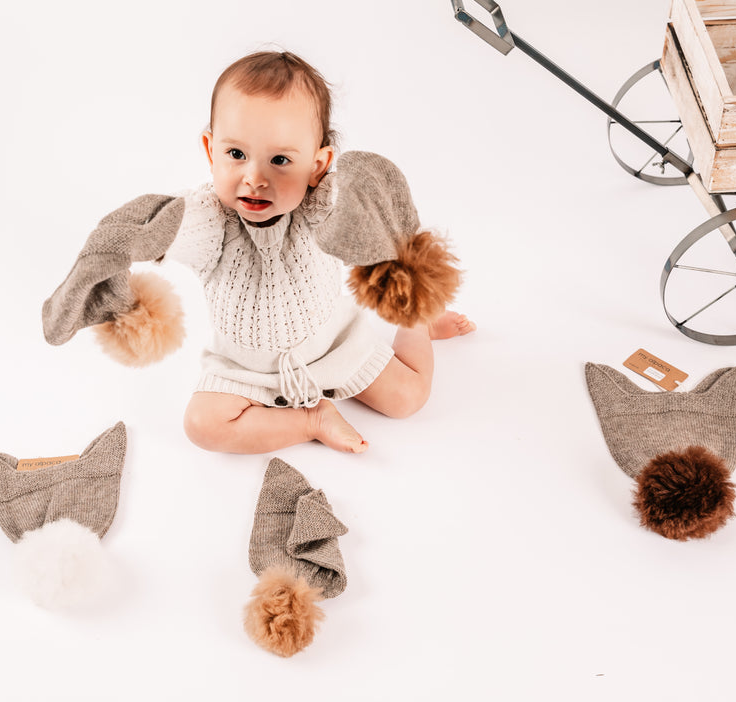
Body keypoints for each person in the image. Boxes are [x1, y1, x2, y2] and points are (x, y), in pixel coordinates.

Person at [43, 51, 474, 454]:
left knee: (409, 398)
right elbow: (156, 226)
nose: (254, 177)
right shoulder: (209, 220)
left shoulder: (321, 208)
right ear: (212, 151)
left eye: (280, 161)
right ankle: (312, 421)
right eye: (236, 154)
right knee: (201, 425)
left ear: (318, 166)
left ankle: (418, 324)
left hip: (333, 347)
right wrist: (120, 250)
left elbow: (369, 203)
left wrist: (410, 280)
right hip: (243, 368)